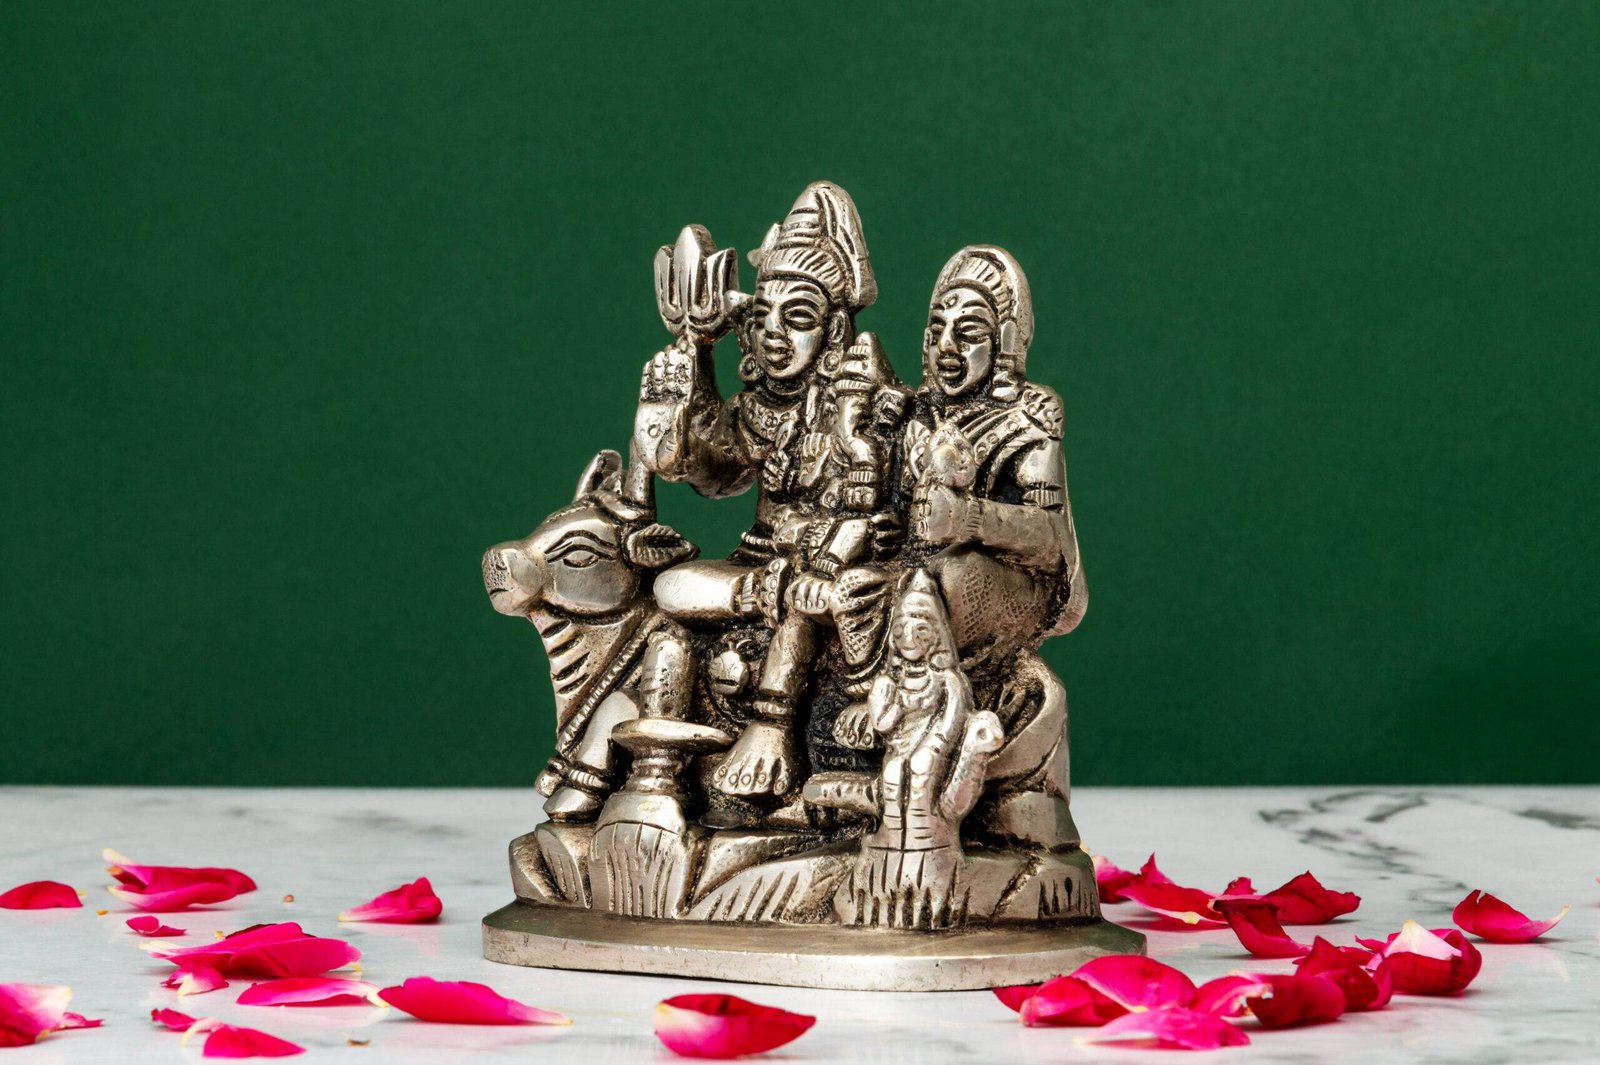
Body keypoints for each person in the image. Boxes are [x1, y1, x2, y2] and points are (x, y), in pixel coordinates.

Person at [633, 182, 906, 807]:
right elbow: (714, 472)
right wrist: (692, 366)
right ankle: (651, 773)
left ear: (835, 329)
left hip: (833, 568)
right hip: (760, 570)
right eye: (761, 319)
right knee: (669, 589)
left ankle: (771, 727)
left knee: (810, 601)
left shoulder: (865, 401)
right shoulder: (763, 406)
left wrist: (841, 549)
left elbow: (878, 505)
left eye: (798, 317)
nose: (775, 334)